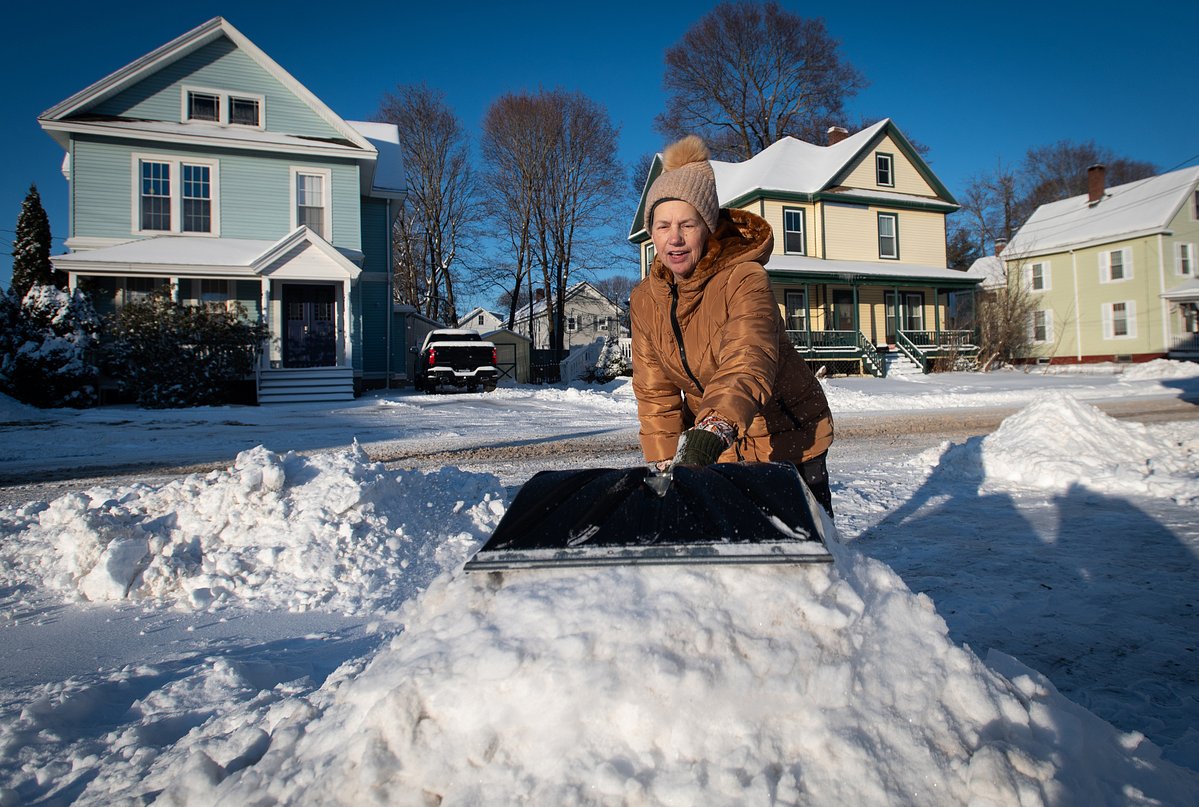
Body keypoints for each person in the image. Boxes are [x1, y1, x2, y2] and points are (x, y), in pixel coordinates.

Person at [629, 135, 835, 515]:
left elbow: (748, 358)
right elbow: (655, 391)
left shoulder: (744, 278)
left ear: (707, 226)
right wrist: (662, 462)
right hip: (719, 447)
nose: (674, 238)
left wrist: (712, 429)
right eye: (662, 226)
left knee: (809, 557)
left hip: (788, 437)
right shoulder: (645, 301)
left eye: (686, 224)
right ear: (651, 232)